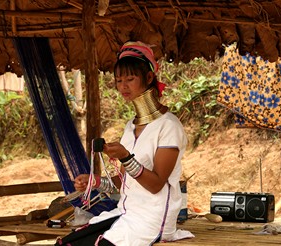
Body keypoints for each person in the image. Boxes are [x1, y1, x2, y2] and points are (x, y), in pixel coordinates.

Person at [55, 41, 193, 246]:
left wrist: (126, 157)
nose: (123, 86)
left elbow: (155, 185)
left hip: (153, 221)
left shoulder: (168, 126)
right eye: (119, 80)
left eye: (130, 78)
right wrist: (96, 182)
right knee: (67, 243)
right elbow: (124, 180)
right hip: (126, 212)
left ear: (148, 77)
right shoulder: (131, 127)